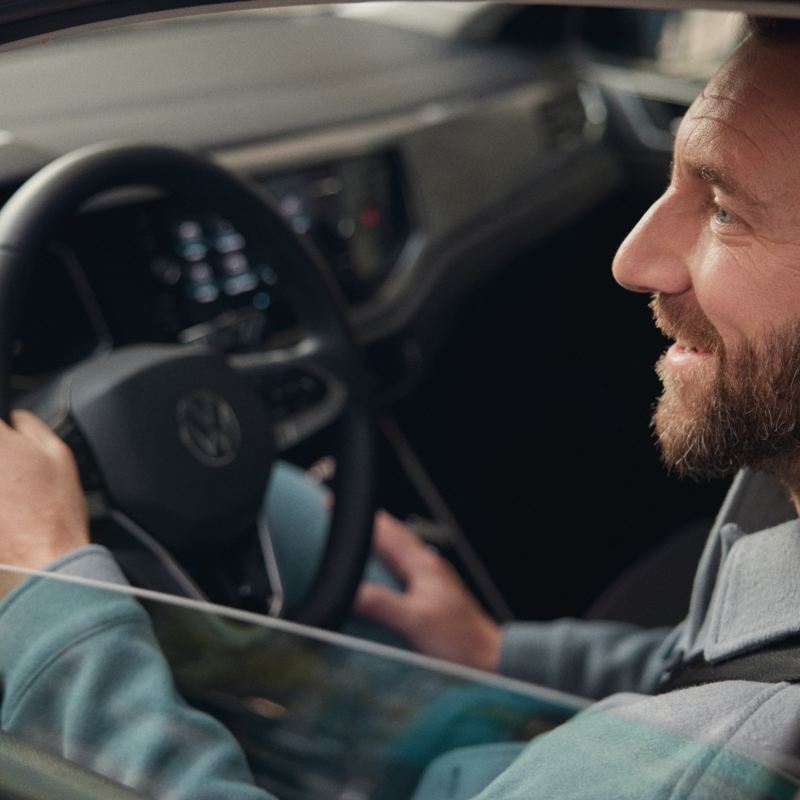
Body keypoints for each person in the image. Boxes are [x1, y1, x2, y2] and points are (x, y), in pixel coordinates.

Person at [3, 14, 800, 799]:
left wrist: (49, 585)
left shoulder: (718, 761)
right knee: (288, 513)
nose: (634, 261)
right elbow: (704, 658)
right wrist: (498, 653)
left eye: (724, 209)